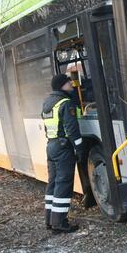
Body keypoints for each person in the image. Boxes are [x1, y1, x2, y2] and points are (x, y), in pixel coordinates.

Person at [42, 74, 84, 234]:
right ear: (62, 86)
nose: (72, 86)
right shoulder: (65, 103)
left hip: (51, 145)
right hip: (63, 147)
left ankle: (50, 220)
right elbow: (72, 129)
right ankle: (60, 223)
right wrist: (80, 148)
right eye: (69, 83)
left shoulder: (47, 103)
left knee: (53, 183)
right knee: (64, 183)